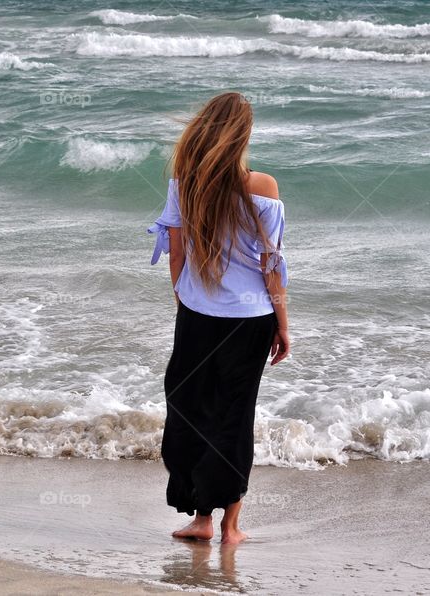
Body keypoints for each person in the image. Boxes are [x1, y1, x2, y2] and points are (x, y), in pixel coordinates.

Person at [147, 91, 290, 545]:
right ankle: (230, 527)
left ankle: (202, 519)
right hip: (250, 320)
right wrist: (283, 323)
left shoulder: (184, 182)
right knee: (234, 417)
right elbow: (272, 263)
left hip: (197, 315)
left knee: (190, 411)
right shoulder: (262, 186)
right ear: (243, 135)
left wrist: (182, 301)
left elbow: (177, 253)